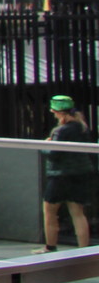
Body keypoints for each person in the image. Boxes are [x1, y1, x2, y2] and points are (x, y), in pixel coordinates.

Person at [43, 95, 96, 251]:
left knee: (49, 211)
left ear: (60, 113)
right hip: (80, 174)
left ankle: (50, 246)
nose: (54, 115)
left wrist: (45, 145)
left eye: (54, 112)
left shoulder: (60, 131)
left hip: (59, 176)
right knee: (78, 213)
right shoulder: (82, 128)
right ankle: (83, 249)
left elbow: (53, 154)